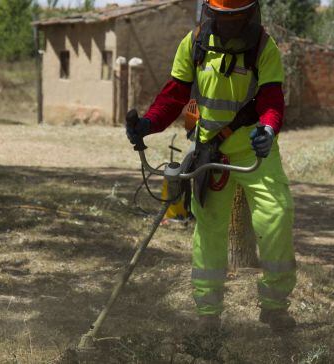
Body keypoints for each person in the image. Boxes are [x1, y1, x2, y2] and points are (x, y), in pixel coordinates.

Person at [126, 0, 296, 333]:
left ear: (249, 14)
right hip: (212, 153)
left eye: (235, 18)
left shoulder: (263, 46)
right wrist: (147, 123)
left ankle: (275, 306)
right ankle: (208, 313)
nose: (228, 25)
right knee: (209, 230)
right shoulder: (195, 43)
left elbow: (272, 99)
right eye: (222, 17)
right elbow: (174, 95)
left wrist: (268, 129)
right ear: (210, 13)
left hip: (253, 149)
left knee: (277, 214)